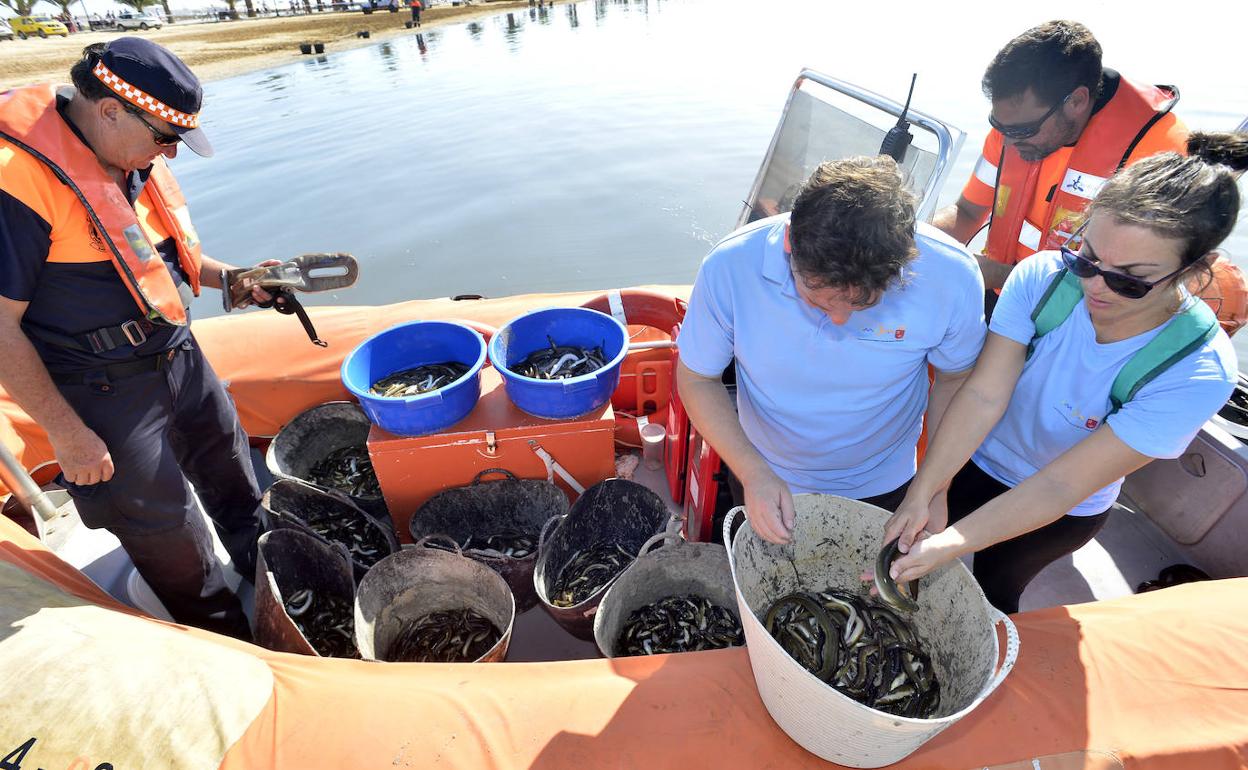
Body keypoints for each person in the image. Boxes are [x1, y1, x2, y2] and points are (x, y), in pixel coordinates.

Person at [882, 152, 1239, 614]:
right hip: (974, 458)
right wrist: (930, 487)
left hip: (1063, 508)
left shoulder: (1196, 371)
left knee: (995, 592)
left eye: (1131, 281)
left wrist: (951, 544)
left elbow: (1059, 486)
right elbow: (984, 394)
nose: (1097, 287)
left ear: (1195, 268)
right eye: (1087, 259)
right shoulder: (1044, 278)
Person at [0, 39, 275, 639]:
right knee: (166, 530)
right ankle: (228, 637)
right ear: (110, 110)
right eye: (163, 137)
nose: (169, 152)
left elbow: (158, 260)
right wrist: (67, 434)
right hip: (102, 388)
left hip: (178, 355)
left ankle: (269, 571)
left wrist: (232, 277)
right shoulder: (18, 180)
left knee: (232, 471)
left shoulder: (131, 155)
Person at [677, 156, 986, 545]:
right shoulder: (730, 267)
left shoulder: (951, 276)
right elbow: (697, 377)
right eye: (819, 300)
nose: (839, 320)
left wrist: (935, 487)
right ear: (791, 244)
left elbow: (956, 379)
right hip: (762, 470)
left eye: (862, 304)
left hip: (886, 481)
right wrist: (752, 472)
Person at [934, 21, 1188, 312]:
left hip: (1081, 318)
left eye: (1023, 131)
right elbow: (967, 212)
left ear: (1077, 101)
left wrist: (1003, 274)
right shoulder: (1013, 124)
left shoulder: (1160, 153)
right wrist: (911, 240)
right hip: (1002, 294)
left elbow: (1132, 283)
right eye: (998, 126)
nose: (1008, 142)